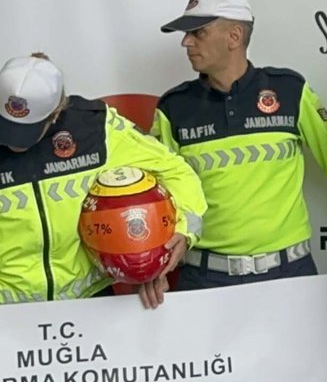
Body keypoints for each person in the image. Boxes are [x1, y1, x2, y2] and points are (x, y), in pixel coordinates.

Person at [152, 0, 327, 297]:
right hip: (204, 279)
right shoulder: (173, 107)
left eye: (198, 33)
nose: (186, 41)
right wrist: (154, 266)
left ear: (234, 36)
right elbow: (156, 197)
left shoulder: (290, 91)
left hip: (288, 274)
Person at [0, 54, 206, 308]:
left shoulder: (96, 128)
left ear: (55, 114)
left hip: (90, 305)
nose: (13, 141)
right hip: (6, 312)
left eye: (26, 131)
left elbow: (176, 172)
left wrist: (182, 232)